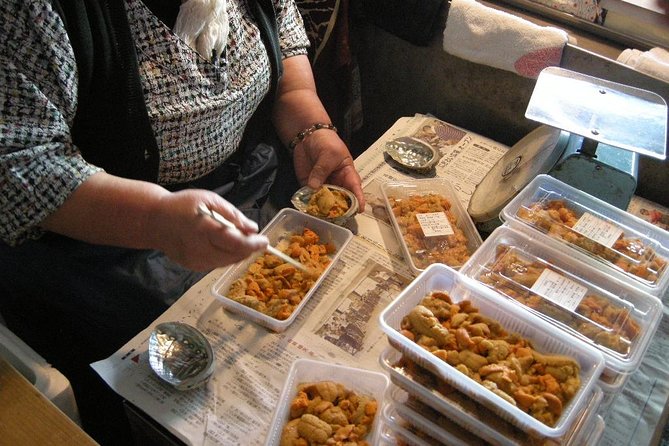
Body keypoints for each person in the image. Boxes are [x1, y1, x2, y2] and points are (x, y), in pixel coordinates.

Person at [0, 0, 365, 443]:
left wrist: (312, 130)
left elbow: (288, 66)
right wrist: (155, 218)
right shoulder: (32, 12)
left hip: (240, 189)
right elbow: (19, 165)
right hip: (104, 240)